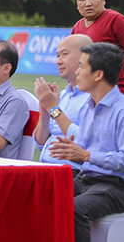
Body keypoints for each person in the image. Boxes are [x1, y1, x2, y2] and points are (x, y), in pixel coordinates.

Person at [49, 43, 124, 242]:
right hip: (88, 180)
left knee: (75, 209)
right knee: (43, 195)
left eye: (81, 67)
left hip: (120, 188)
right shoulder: (88, 107)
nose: (76, 72)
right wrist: (71, 150)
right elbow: (84, 147)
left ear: (98, 75)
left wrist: (85, 155)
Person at [33, 34, 92, 172]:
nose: (58, 61)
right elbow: (41, 144)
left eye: (64, 55)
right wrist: (44, 115)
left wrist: (53, 109)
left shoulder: (93, 97)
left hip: (72, 174)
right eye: (57, 56)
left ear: (86, 57)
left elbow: (85, 142)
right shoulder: (63, 96)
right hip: (46, 168)